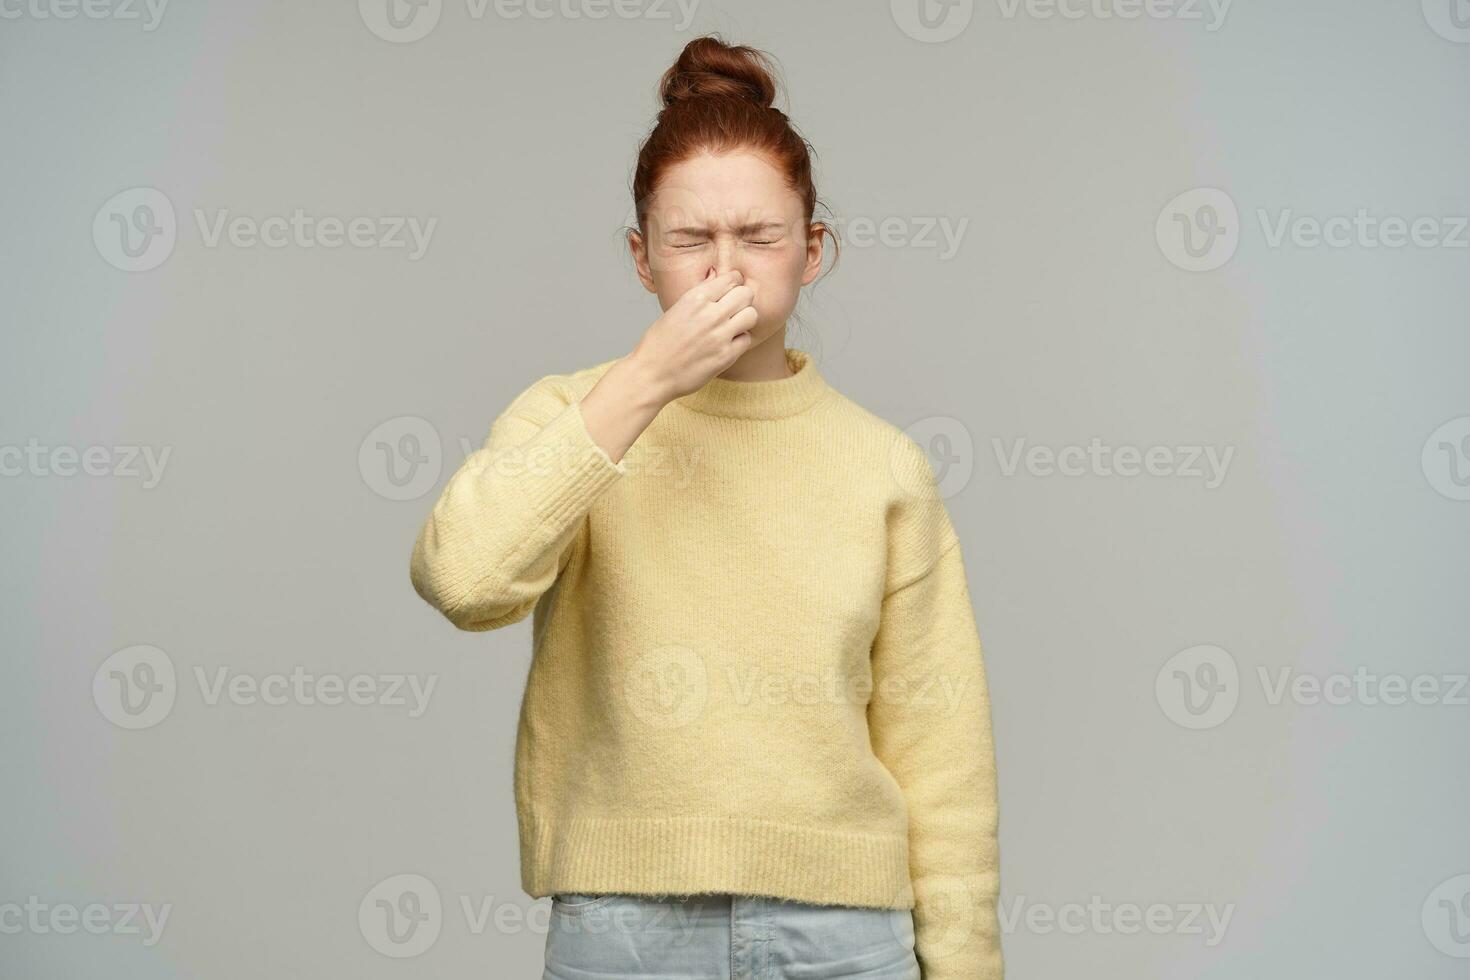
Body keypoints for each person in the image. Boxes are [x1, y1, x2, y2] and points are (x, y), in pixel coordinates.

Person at [408, 34, 1003, 980]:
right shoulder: (573, 416)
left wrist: (968, 965)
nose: (725, 270)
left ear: (812, 252)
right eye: (691, 242)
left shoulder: (881, 464)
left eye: (759, 237)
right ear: (643, 260)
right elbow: (464, 581)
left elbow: (943, 750)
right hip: (624, 929)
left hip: (845, 933)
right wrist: (645, 382)